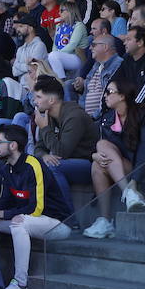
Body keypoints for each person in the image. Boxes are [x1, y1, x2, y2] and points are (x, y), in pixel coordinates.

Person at [0, 124, 72, 289]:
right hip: (31, 221)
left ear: (13, 145)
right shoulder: (6, 169)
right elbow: (4, 201)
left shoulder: (33, 164)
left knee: (18, 222)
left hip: (57, 223)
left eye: (0, 142)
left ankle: (21, 285)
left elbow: (36, 208)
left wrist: (2, 213)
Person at [82, 78, 145, 239]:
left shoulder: (144, 114)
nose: (105, 96)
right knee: (97, 163)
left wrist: (135, 179)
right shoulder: (107, 118)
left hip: (144, 169)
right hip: (120, 168)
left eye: (109, 92)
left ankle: (129, 191)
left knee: (102, 146)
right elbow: (96, 146)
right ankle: (121, 201)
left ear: (122, 96)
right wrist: (93, 155)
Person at [32, 76, 98, 209]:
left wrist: (44, 128)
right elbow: (38, 148)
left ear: (51, 100)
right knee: (37, 165)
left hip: (89, 164)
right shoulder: (49, 115)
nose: (35, 101)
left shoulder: (74, 116)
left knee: (53, 166)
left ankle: (68, 217)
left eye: (38, 97)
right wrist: (44, 156)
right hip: (69, 162)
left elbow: (62, 152)